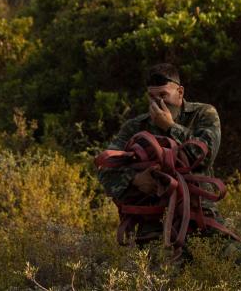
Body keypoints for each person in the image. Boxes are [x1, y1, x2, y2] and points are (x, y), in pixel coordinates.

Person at [96, 62, 227, 246]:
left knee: (240, 259)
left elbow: (204, 155)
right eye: (152, 96)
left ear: (180, 92)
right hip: (152, 220)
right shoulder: (135, 126)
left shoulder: (203, 114)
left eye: (164, 95)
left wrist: (170, 127)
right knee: (159, 269)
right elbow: (105, 168)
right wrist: (135, 179)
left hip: (199, 212)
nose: (158, 102)